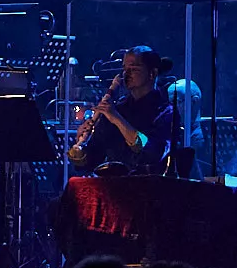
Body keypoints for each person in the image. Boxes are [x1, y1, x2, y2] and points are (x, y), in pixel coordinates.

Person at [66, 47, 176, 175]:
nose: (126, 74)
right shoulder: (117, 108)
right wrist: (81, 143)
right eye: (124, 69)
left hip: (149, 184)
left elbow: (153, 153)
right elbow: (92, 161)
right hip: (114, 183)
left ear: (152, 73)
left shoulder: (166, 111)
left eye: (133, 69)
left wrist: (117, 120)